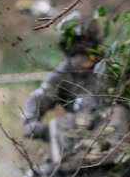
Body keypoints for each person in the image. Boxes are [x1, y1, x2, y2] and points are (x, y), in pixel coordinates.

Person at [20, 11, 106, 142]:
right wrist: (30, 121)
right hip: (78, 143)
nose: (80, 50)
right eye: (74, 46)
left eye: (84, 43)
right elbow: (41, 96)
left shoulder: (115, 68)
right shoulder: (62, 75)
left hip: (121, 139)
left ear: (95, 43)